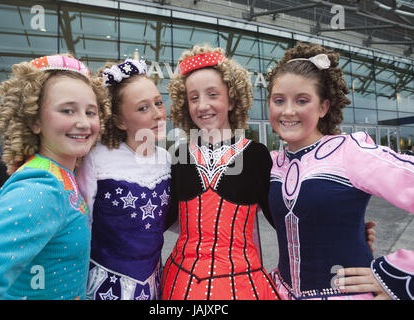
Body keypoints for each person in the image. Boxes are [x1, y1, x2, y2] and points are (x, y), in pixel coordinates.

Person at [265, 42, 414, 300]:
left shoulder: (350, 153)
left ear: (323, 107)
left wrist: (395, 276)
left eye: (302, 100)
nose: (288, 111)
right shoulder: (269, 163)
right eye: (279, 100)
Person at [0, 54, 111, 299]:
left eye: (90, 112)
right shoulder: (42, 187)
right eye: (67, 110)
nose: (84, 122)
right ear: (34, 121)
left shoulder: (60, 174)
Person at [161, 44, 281, 300]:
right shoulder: (177, 155)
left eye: (213, 94)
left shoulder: (257, 155)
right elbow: (158, 220)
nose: (203, 105)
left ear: (232, 99)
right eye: (194, 98)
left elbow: (282, 220)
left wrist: (347, 231)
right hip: (181, 283)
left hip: (242, 283)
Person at [76, 54, 171, 300]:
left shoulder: (168, 159)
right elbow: (78, 226)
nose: (158, 114)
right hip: (105, 285)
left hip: (153, 283)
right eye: (143, 108)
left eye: (159, 103)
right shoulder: (96, 158)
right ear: (119, 120)